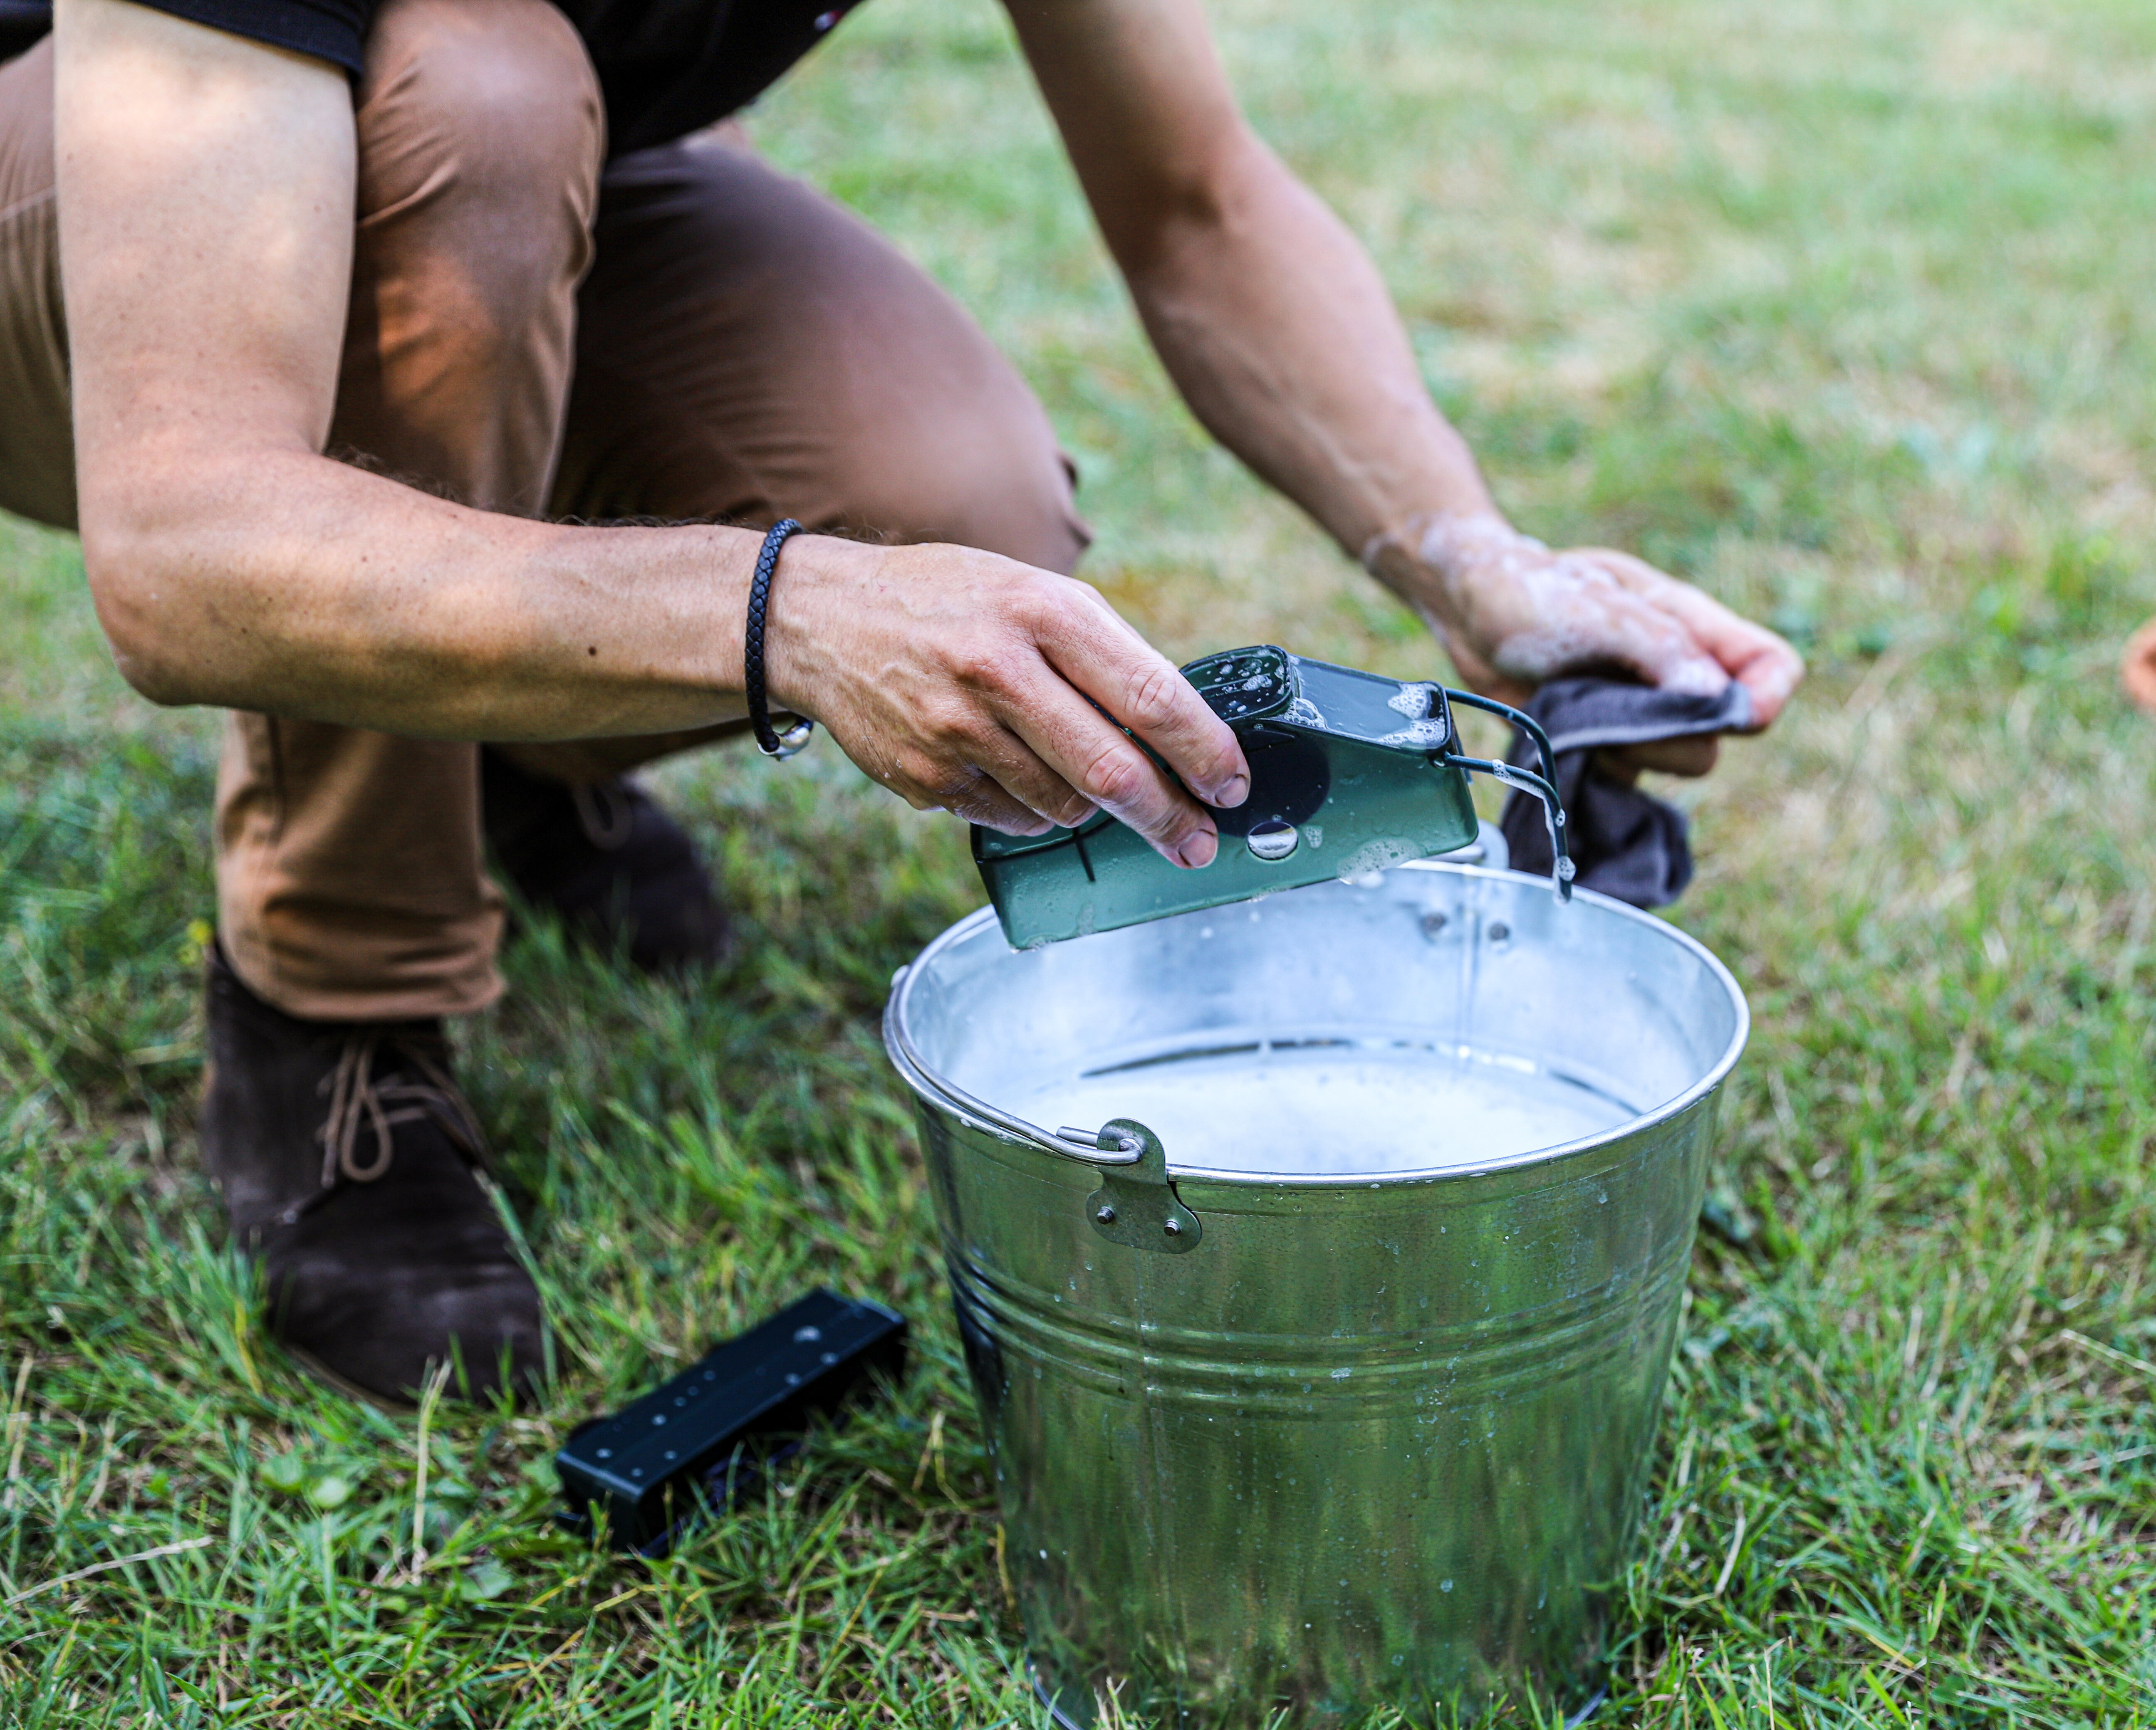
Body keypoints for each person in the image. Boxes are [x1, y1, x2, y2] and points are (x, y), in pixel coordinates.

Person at [3, 0, 1803, 1407]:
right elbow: (188, 542)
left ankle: (500, 747)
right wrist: (790, 613)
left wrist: (1474, 560)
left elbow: (1201, 195)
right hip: (127, 195)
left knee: (951, 487)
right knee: (483, 94)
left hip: (509, 184)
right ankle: (334, 999)